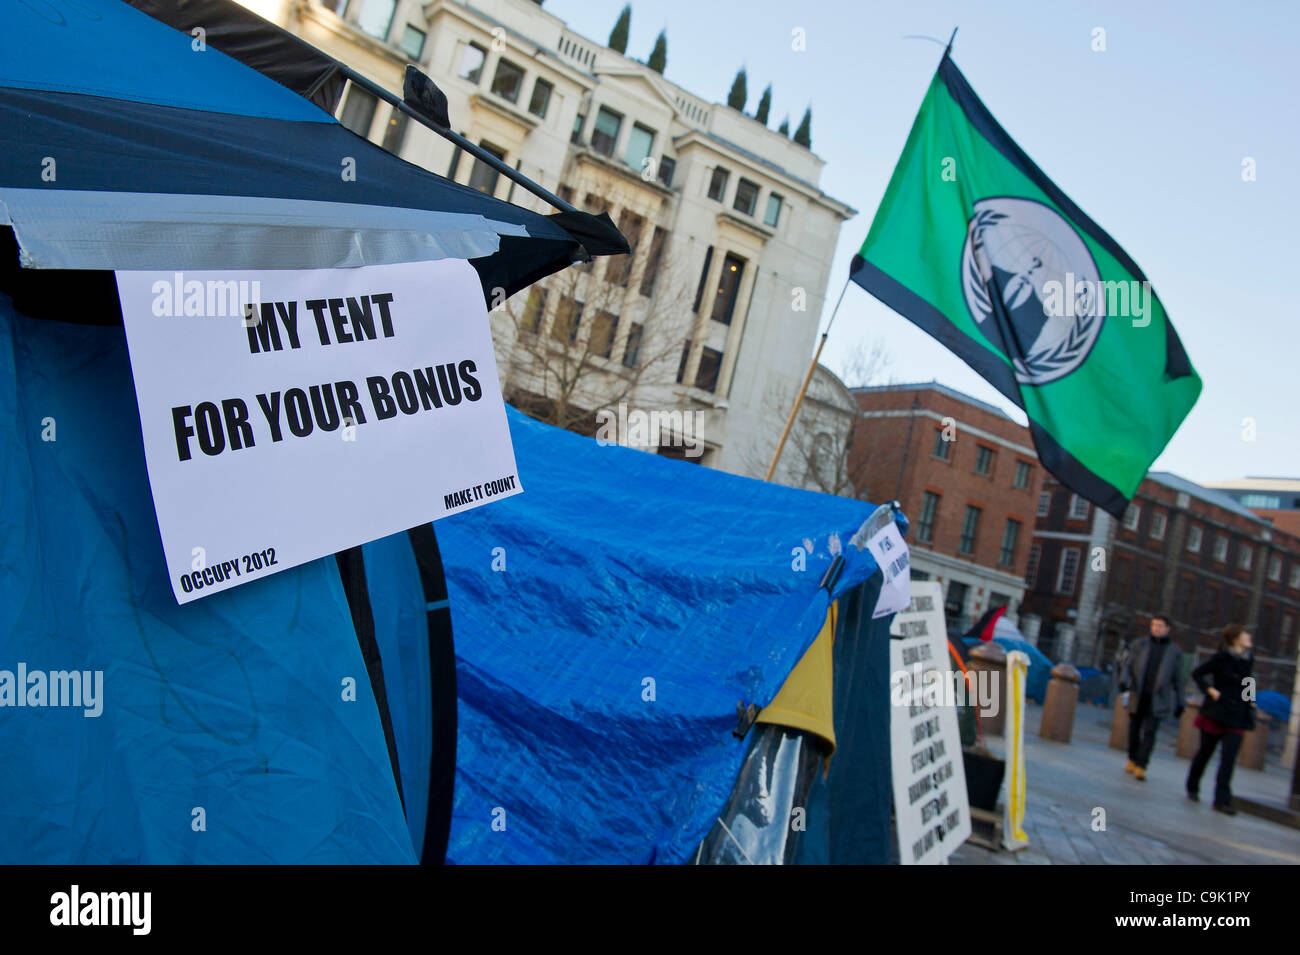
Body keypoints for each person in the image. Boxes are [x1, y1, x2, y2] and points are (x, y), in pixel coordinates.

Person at [1185, 625, 1256, 814]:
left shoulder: (1248, 660)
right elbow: (1197, 673)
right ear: (1236, 639)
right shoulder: (1221, 658)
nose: (1249, 637)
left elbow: (1248, 681)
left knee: (1229, 758)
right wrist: (1210, 690)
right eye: (1245, 634)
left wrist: (1251, 700)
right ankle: (1192, 786)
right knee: (1205, 752)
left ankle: (1222, 800)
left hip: (1237, 714)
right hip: (1217, 711)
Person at [1119, 614, 1184, 781]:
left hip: (1159, 698)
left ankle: (1142, 765)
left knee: (1150, 732)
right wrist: (1124, 682)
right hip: (1138, 693)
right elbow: (1128, 664)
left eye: (1160, 626)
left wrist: (1180, 702)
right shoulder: (1140, 644)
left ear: (1167, 629)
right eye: (1154, 625)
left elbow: (1178, 678)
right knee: (1134, 729)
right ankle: (1132, 758)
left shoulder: (1174, 651)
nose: (1156, 628)